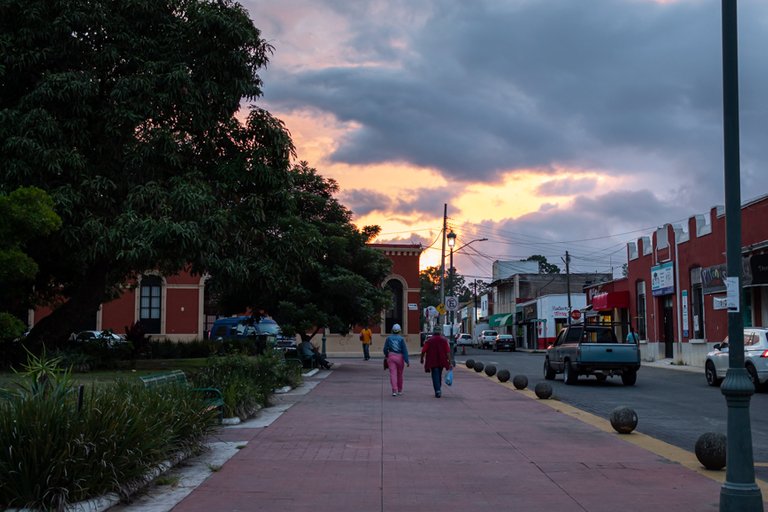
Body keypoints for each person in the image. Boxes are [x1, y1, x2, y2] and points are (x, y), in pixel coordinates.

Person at [421, 331, 452, 398]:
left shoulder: (429, 341)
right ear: (440, 333)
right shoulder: (444, 341)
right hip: (441, 360)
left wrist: (422, 359)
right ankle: (438, 389)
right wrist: (450, 362)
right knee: (439, 375)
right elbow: (448, 352)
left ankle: (437, 390)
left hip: (432, 360)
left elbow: (423, 350)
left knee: (435, 375)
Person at [383, 324, 409, 396]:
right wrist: (407, 360)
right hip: (400, 357)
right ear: (399, 331)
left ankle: (394, 390)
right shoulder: (401, 339)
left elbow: (385, 349)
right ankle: (400, 390)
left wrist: (387, 354)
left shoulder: (388, 338)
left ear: (392, 330)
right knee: (400, 374)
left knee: (393, 374)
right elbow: (404, 350)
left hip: (391, 356)